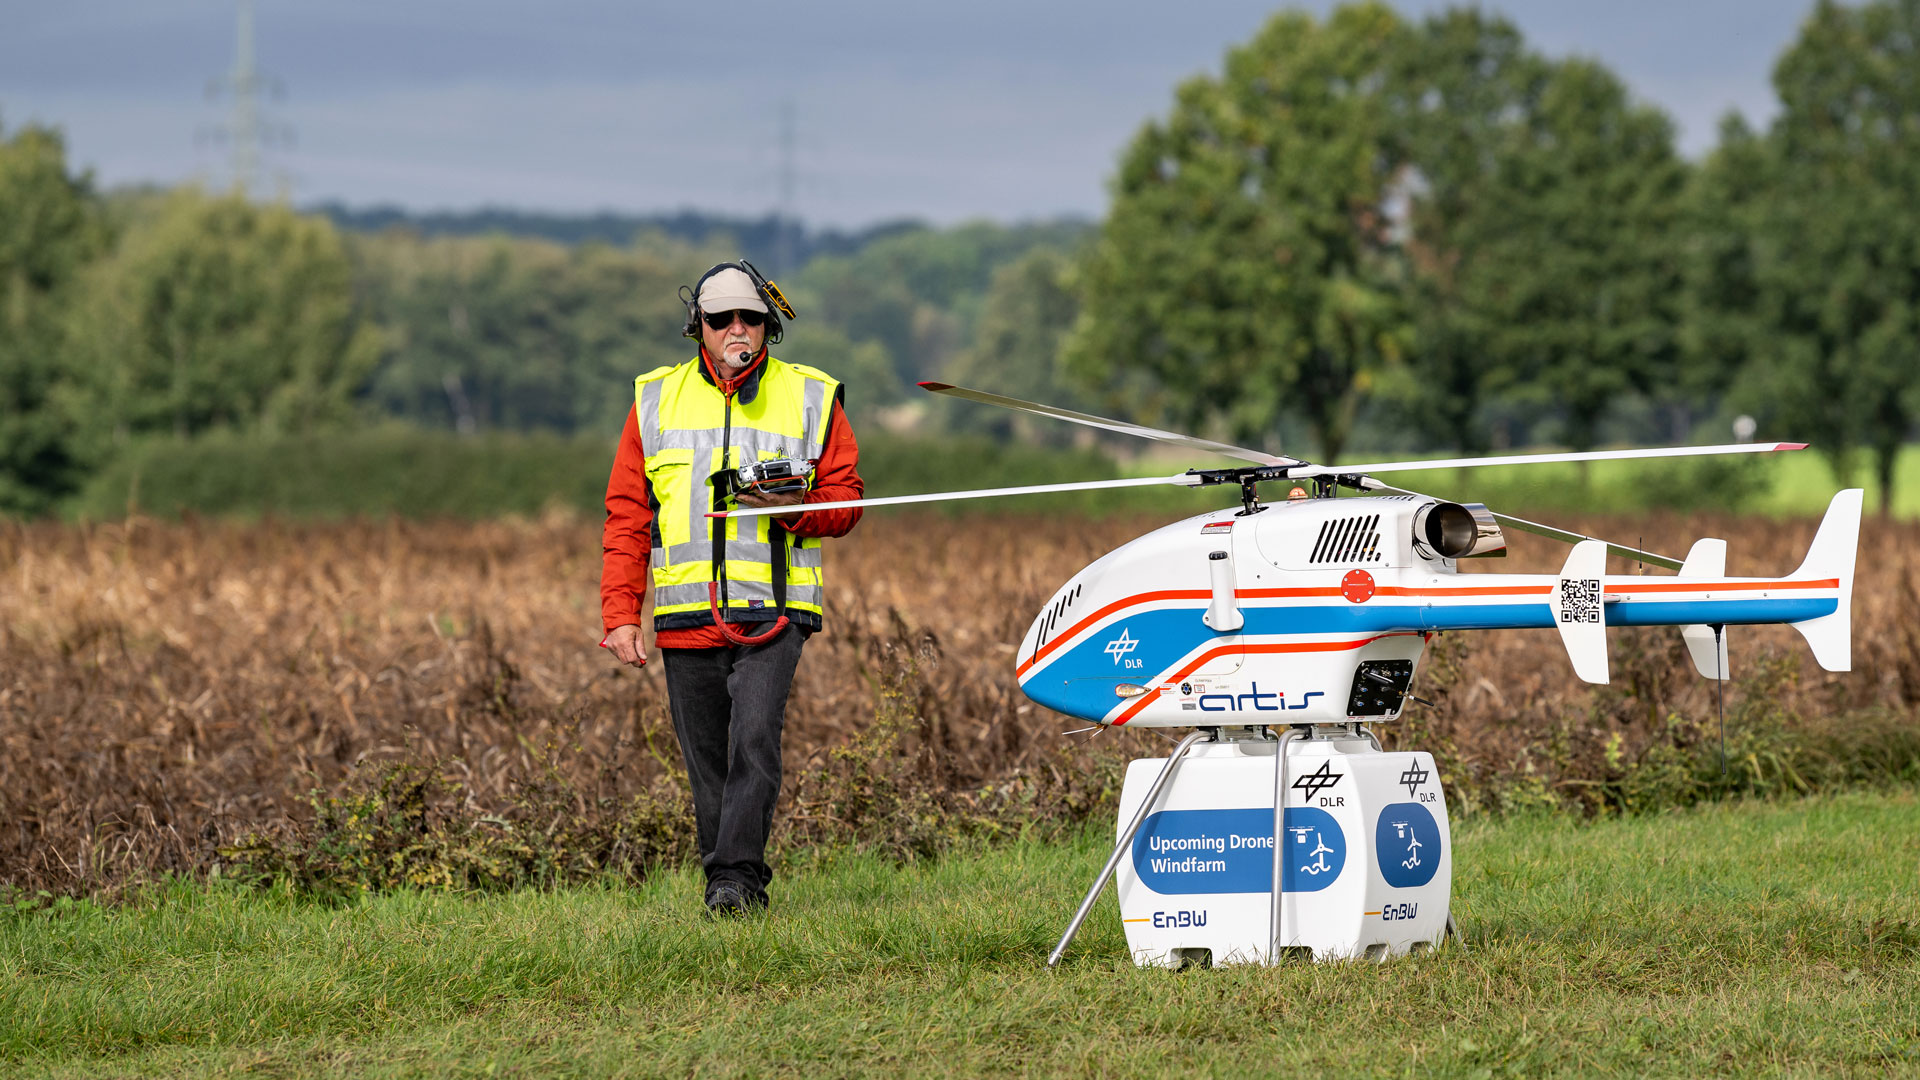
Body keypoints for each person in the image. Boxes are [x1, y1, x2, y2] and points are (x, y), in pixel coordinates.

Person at [600, 261, 863, 916]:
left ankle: (735, 885)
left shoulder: (812, 396)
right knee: (709, 762)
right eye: (721, 319)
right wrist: (620, 613)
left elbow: (847, 503)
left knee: (753, 739)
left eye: (749, 317)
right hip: (685, 612)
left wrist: (792, 509)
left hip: (774, 612)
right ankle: (726, 879)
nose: (736, 329)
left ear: (769, 324)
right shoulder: (653, 401)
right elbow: (627, 517)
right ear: (700, 328)